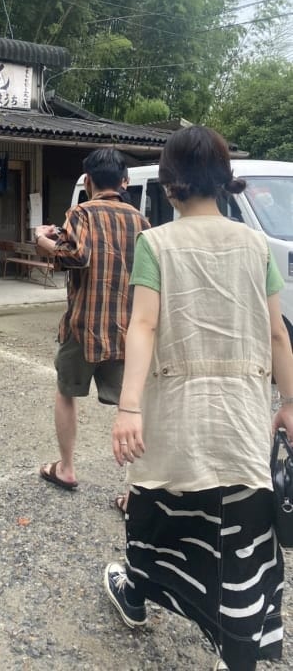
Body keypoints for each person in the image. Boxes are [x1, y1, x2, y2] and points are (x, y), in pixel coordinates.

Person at [104, 125, 293, 671]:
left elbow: (143, 326)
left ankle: (137, 595)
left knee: (157, 518)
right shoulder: (255, 245)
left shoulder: (156, 243)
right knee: (242, 536)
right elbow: (277, 334)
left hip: (175, 420)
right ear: (224, 180)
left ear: (170, 184)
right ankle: (237, 650)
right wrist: (289, 401)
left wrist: (129, 407)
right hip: (241, 420)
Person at [36, 148, 149, 490]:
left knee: (65, 392)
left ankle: (67, 468)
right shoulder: (140, 220)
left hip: (83, 325)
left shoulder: (81, 212)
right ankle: (137, 488)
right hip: (127, 329)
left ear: (88, 181)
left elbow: (77, 255)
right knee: (131, 405)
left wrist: (43, 242)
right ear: (124, 182)